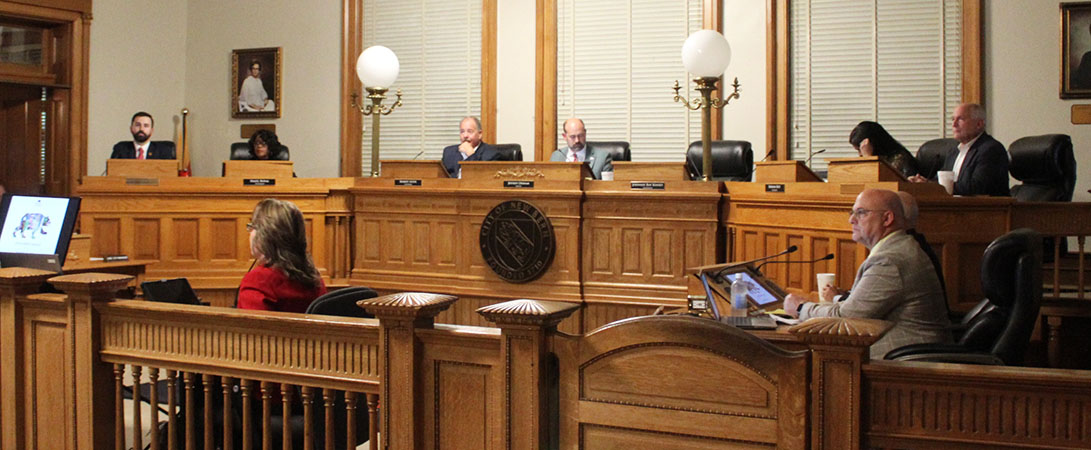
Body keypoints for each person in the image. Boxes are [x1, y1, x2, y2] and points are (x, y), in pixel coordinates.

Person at [783, 189, 951, 359]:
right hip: (905, 350)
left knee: (799, 357)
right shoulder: (899, 247)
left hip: (905, 359)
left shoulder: (889, 260)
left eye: (861, 213)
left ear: (887, 218)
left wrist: (801, 308)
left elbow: (846, 318)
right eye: (852, 212)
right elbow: (854, 309)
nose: (851, 219)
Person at [238, 199, 327, 312]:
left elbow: (251, 322)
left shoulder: (259, 281)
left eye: (253, 227)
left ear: (265, 235)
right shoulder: (314, 279)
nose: (250, 233)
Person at [908, 103, 1009, 196]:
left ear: (979, 124)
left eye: (960, 119)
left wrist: (931, 185)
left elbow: (977, 187)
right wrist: (922, 183)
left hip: (983, 208)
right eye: (953, 119)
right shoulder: (954, 151)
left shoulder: (991, 149)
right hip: (951, 206)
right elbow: (941, 181)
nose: (954, 124)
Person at [849, 121, 919, 178]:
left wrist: (868, 158)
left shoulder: (900, 158)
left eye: (860, 150)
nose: (860, 154)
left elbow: (877, 181)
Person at [549, 118, 614, 179]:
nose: (577, 140)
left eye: (580, 135)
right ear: (564, 136)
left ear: (585, 133)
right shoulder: (556, 156)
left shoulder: (603, 157)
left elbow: (608, 185)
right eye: (572, 137)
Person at [110, 112, 176, 159]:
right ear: (131, 129)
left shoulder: (164, 150)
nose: (141, 129)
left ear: (152, 130)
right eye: (137, 125)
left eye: (146, 126)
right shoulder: (121, 149)